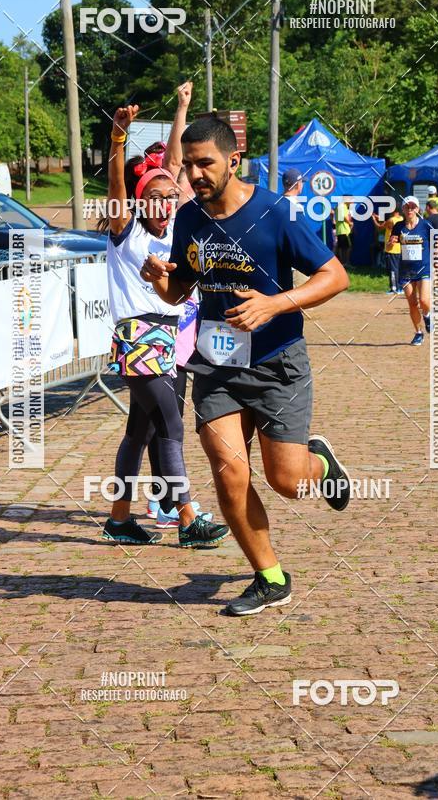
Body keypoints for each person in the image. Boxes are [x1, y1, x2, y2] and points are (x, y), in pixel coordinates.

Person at [141, 115, 351, 617]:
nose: (194, 175)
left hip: (277, 364)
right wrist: (156, 278)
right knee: (229, 474)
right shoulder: (190, 219)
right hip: (216, 364)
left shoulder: (275, 211)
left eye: (205, 163)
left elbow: (336, 275)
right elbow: (178, 289)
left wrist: (274, 305)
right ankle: (270, 577)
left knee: (288, 482)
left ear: (233, 160)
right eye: (188, 165)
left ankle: (318, 464)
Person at [102, 102, 229, 549]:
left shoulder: (174, 230)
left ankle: (119, 519)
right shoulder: (127, 230)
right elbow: (118, 184)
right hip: (138, 337)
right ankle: (189, 518)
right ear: (140, 201)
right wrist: (118, 140)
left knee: (141, 432)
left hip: (168, 337)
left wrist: (184, 110)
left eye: (169, 197)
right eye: (155, 197)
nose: (164, 203)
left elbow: (175, 165)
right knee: (172, 427)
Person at [388, 196, 435, 346]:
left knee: (424, 300)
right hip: (406, 270)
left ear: (417, 209)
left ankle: (427, 315)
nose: (410, 210)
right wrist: (390, 243)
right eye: (407, 207)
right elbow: (390, 248)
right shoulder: (398, 227)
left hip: (423, 267)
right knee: (413, 303)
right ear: (402, 209)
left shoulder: (426, 225)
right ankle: (418, 333)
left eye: (412, 207)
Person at [372, 206, 403, 294]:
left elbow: (380, 227)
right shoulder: (401, 218)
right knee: (398, 269)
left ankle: (394, 289)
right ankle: (400, 288)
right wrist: (379, 217)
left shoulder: (391, 220)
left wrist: (374, 219)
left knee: (392, 270)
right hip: (399, 248)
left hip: (391, 249)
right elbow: (387, 224)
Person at [334, 198, 353, 265]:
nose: (352, 202)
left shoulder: (341, 206)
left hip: (341, 230)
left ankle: (343, 263)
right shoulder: (342, 206)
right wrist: (350, 223)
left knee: (342, 248)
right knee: (346, 248)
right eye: (351, 200)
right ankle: (345, 263)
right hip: (344, 230)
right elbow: (344, 217)